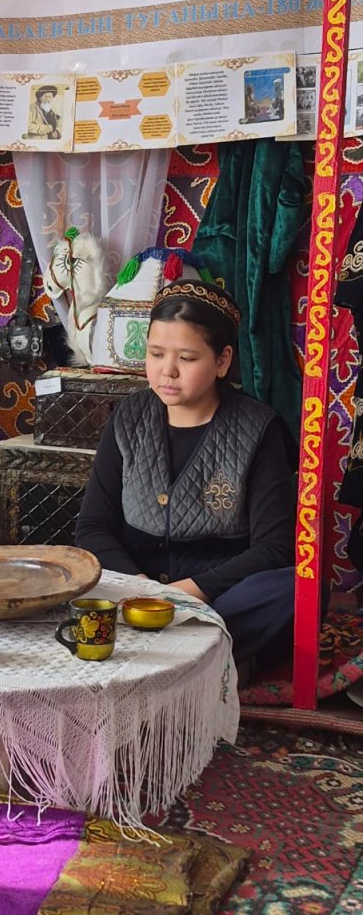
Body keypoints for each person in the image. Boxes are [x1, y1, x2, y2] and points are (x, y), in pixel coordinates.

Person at [75, 280, 296, 666]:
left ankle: (189, 644)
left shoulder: (258, 428)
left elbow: (273, 548)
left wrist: (184, 595)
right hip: (133, 590)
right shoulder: (128, 416)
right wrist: (141, 590)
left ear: (222, 361)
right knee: (67, 578)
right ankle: (202, 650)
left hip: (218, 596)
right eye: (156, 354)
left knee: (292, 588)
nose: (168, 371)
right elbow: (93, 527)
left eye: (188, 358)